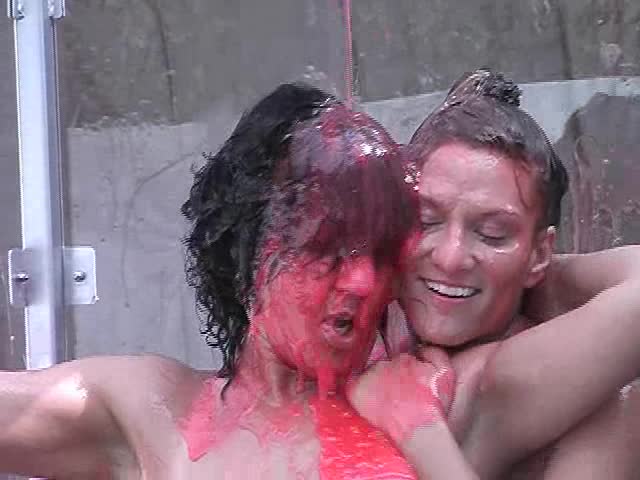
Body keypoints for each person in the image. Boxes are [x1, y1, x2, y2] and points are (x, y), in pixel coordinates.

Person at [0, 83, 478, 479]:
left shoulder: (434, 388)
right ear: (246, 251)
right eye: (326, 246)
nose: (362, 280)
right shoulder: (154, 408)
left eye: (380, 252)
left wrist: (422, 430)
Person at [347, 69, 640, 479]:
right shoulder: (372, 324)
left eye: (492, 234)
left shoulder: (514, 381)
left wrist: (417, 428)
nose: (450, 257)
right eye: (425, 221)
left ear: (541, 253)